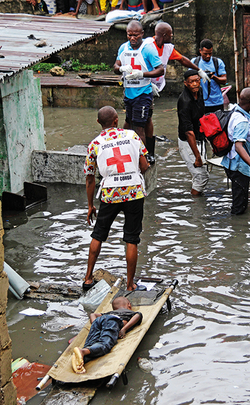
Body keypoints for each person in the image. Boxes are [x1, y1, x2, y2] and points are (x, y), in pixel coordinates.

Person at [83, 106, 150, 292]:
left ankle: (88, 278)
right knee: (131, 239)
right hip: (134, 192)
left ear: (99, 123)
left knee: (98, 234)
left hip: (110, 193)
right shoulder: (133, 136)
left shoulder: (95, 144)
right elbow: (144, 166)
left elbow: (89, 177)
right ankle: (130, 284)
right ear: (116, 120)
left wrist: (90, 205)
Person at [142, 22, 207, 160]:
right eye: (171, 34)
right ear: (165, 35)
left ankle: (150, 153)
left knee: (148, 118)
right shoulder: (147, 46)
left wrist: (198, 70)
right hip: (142, 85)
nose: (172, 36)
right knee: (138, 120)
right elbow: (137, 64)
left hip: (154, 87)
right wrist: (146, 83)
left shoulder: (167, 48)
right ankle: (144, 152)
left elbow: (182, 59)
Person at [114, 20, 163, 163]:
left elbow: (160, 69)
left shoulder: (148, 49)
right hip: (129, 92)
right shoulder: (123, 48)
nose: (133, 38)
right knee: (129, 121)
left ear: (142, 34)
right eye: (130, 35)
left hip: (143, 92)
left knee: (140, 125)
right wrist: (120, 68)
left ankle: (144, 156)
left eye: (136, 35)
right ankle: (126, 148)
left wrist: (142, 74)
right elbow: (116, 65)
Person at [221, 87, 250, 215]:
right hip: (238, 166)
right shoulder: (242, 121)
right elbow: (238, 146)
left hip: (229, 162)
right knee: (239, 207)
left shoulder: (234, 110)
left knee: (238, 198)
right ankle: (237, 230)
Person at [71, 296, 143, 373]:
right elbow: (138, 315)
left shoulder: (109, 313)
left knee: (91, 344)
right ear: (129, 305)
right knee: (105, 344)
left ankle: (81, 359)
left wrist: (96, 324)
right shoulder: (129, 312)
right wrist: (123, 329)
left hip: (99, 320)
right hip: (112, 322)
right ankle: (83, 352)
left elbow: (92, 314)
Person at [177, 70, 208, 196]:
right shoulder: (184, 101)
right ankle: (195, 207)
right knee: (201, 177)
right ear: (186, 83)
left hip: (199, 137)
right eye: (192, 82)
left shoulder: (199, 92)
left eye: (197, 81)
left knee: (202, 174)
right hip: (188, 141)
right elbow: (189, 133)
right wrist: (197, 157)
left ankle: (197, 198)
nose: (195, 84)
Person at [192, 39, 228, 114]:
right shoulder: (194, 62)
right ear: (200, 51)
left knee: (217, 124)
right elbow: (189, 80)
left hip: (217, 102)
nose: (208, 56)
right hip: (200, 102)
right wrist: (200, 75)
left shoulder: (217, 62)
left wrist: (214, 77)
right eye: (205, 54)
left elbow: (224, 80)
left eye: (210, 53)